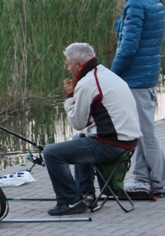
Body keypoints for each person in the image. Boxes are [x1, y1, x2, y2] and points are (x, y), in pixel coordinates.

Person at [41, 43, 141, 215]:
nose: (68, 68)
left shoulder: (88, 83)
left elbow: (78, 122)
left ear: (79, 65)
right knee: (79, 140)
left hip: (112, 145)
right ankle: (85, 194)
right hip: (129, 141)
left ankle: (69, 201)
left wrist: (71, 96)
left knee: (51, 153)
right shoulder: (107, 74)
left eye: (68, 63)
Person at [111, 0, 165, 199]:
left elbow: (129, 46)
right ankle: (142, 179)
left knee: (145, 134)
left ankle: (159, 182)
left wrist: (112, 75)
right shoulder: (154, 1)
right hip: (147, 76)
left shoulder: (136, 5)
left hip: (135, 77)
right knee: (142, 131)